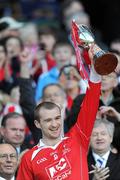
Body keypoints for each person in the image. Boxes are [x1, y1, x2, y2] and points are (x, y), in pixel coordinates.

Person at [17, 44, 101, 180]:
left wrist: (95, 69)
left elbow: (91, 103)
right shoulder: (29, 158)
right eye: (48, 120)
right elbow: (26, 100)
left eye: (57, 118)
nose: (55, 124)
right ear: (37, 124)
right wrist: (25, 66)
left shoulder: (77, 138)